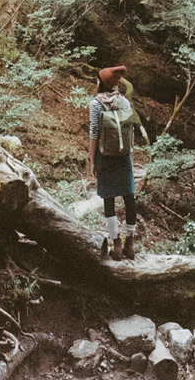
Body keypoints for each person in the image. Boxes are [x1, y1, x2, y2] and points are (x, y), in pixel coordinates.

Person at [88, 65, 137, 260]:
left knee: (109, 200)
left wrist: (92, 161)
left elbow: (94, 133)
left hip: (105, 157)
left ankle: (116, 245)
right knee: (129, 198)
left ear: (100, 83)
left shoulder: (96, 104)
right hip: (124, 157)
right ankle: (130, 243)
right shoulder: (124, 101)